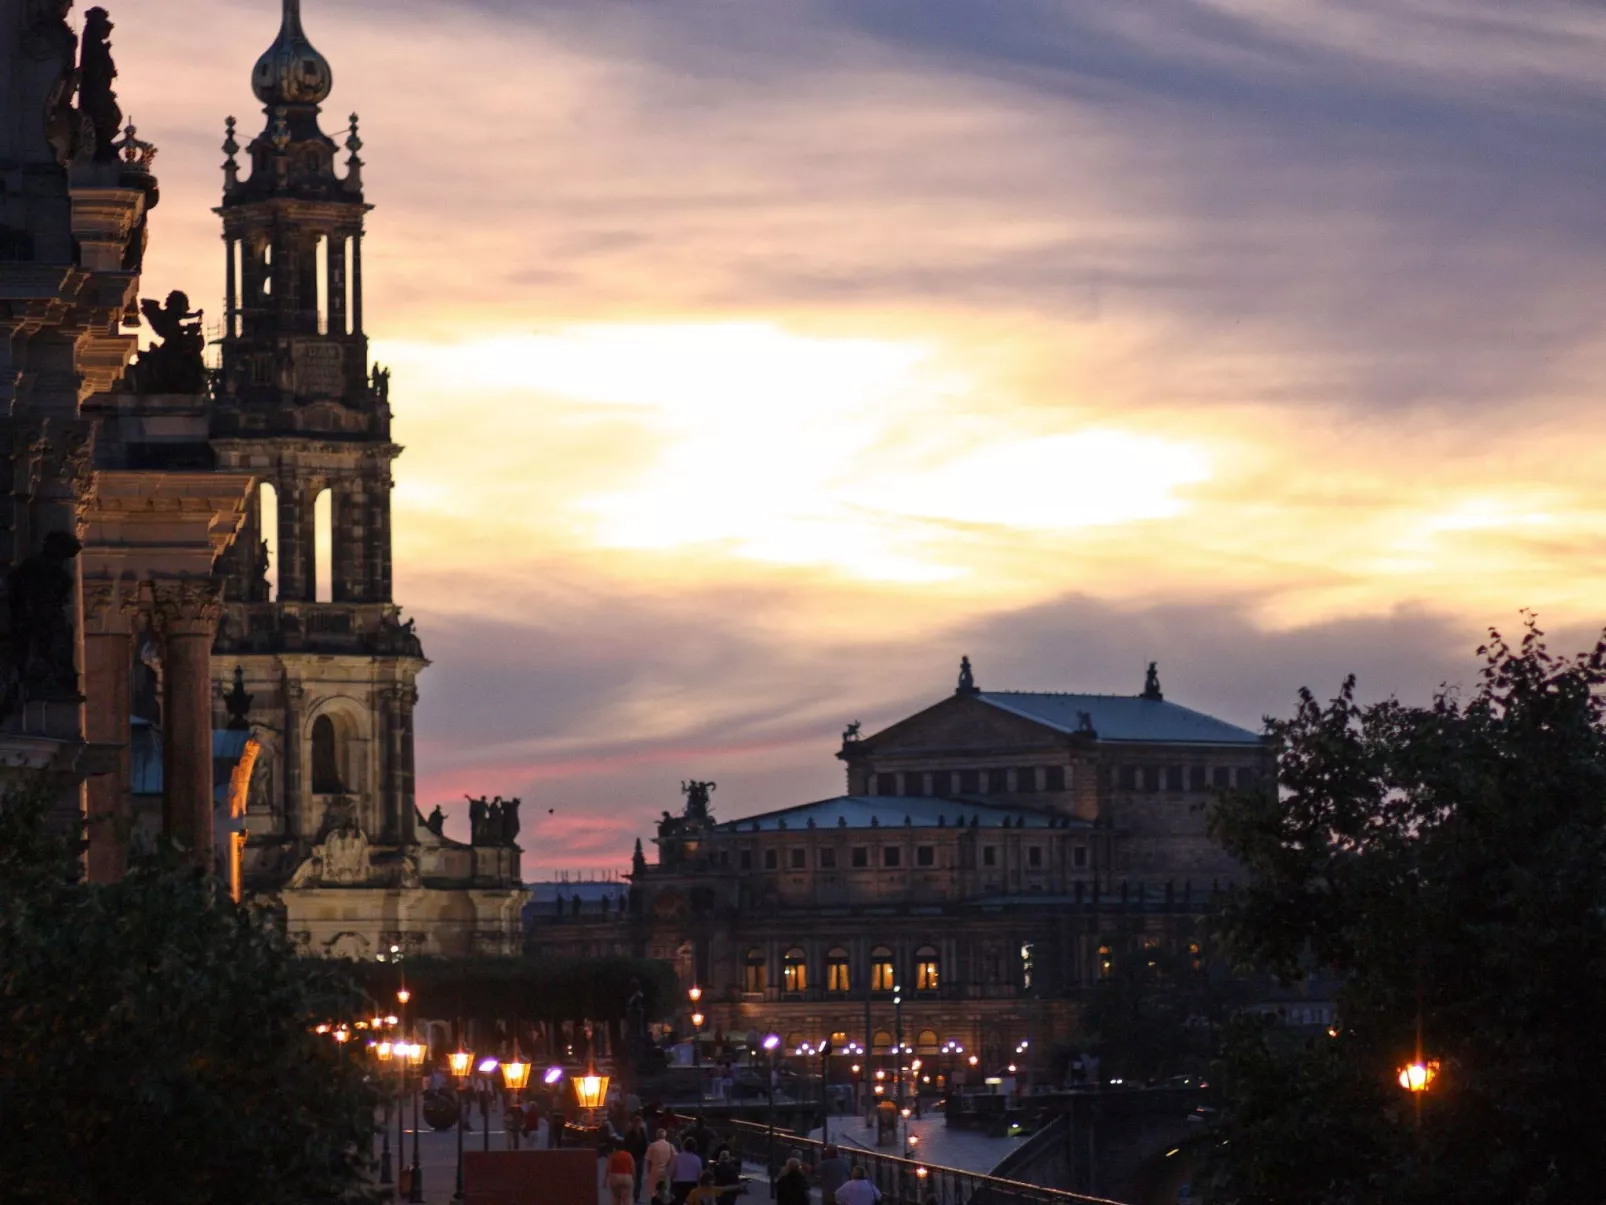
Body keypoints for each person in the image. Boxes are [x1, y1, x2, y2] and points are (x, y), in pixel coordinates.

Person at [644, 1127, 676, 1202]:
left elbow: (648, 1160)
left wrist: (649, 1172)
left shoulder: (652, 1146)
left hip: (654, 1171)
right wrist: (668, 1164)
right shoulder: (670, 1146)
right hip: (665, 1171)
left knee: (654, 1192)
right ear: (665, 1136)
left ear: (657, 1136)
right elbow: (674, 1158)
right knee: (664, 1190)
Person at [669, 1138, 703, 1205]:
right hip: (692, 1185)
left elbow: (672, 1172)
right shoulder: (697, 1159)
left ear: (683, 1146)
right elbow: (700, 1175)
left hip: (678, 1184)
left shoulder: (676, 1157)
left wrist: (671, 1180)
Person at [625, 1115, 649, 1201]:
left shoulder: (642, 1132)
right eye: (638, 1123)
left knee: (639, 1177)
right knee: (632, 1177)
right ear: (634, 1123)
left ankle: (636, 1196)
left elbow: (645, 1143)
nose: (639, 1125)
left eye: (640, 1123)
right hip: (632, 1158)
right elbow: (626, 1146)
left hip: (640, 1157)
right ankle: (630, 1194)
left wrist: (645, 1152)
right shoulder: (629, 1134)